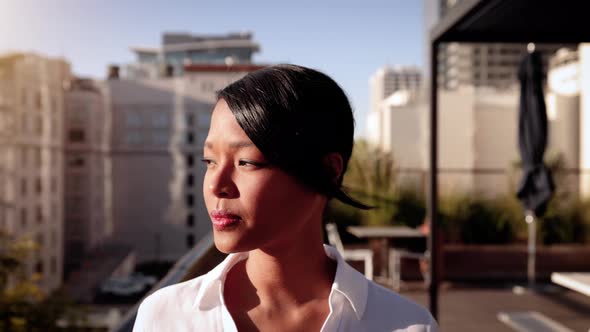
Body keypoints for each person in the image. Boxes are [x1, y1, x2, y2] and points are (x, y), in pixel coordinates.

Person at [133, 64, 438, 331]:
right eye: (209, 161)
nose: (216, 185)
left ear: (329, 171)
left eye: (247, 162)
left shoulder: (406, 325)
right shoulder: (165, 317)